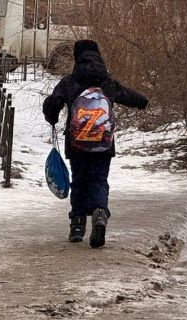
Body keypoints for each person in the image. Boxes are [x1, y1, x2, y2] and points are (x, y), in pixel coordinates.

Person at [42, 40, 149, 248]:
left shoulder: (69, 82)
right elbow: (129, 96)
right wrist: (144, 102)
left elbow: (53, 103)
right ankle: (99, 213)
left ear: (76, 57)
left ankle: (77, 225)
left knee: (79, 181)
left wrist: (52, 116)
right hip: (103, 143)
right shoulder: (107, 83)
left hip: (77, 143)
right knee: (99, 180)